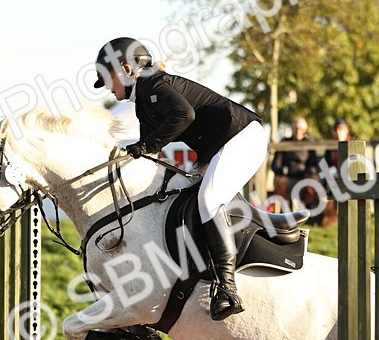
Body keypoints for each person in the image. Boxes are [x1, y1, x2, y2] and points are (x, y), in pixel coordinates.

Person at [93, 37, 262, 320]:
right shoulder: (142, 101)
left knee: (208, 199)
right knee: (184, 194)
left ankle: (227, 289)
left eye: (108, 78)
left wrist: (145, 146)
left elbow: (183, 114)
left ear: (126, 68)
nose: (108, 87)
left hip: (240, 137)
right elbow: (148, 154)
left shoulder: (153, 84)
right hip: (219, 146)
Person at [271, 117, 317, 210]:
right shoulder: (284, 143)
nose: (298, 131)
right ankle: (283, 211)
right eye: (296, 128)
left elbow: (313, 165)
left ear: (305, 130)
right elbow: (275, 165)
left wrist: (308, 173)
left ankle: (310, 212)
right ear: (292, 129)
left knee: (312, 182)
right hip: (287, 177)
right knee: (280, 182)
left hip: (304, 176)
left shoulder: (309, 144)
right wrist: (284, 170)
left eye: (301, 129)